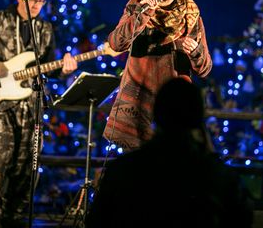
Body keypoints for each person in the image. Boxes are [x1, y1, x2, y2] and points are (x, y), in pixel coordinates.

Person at [0, 0, 77, 228]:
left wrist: (65, 68)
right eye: (32, 0)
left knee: (27, 164)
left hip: (30, 106)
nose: (36, 5)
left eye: (41, 1)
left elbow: (48, 67)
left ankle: (16, 217)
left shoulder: (45, 30)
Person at [86, 78, 253, 228]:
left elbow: (97, 221)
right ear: (197, 119)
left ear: (156, 116)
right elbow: (242, 219)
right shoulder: (219, 175)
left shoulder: (121, 170)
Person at [103, 0, 213, 150]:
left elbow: (205, 69)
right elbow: (116, 43)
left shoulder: (191, 15)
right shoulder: (138, 4)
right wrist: (142, 14)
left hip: (174, 104)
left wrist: (196, 52)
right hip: (137, 99)